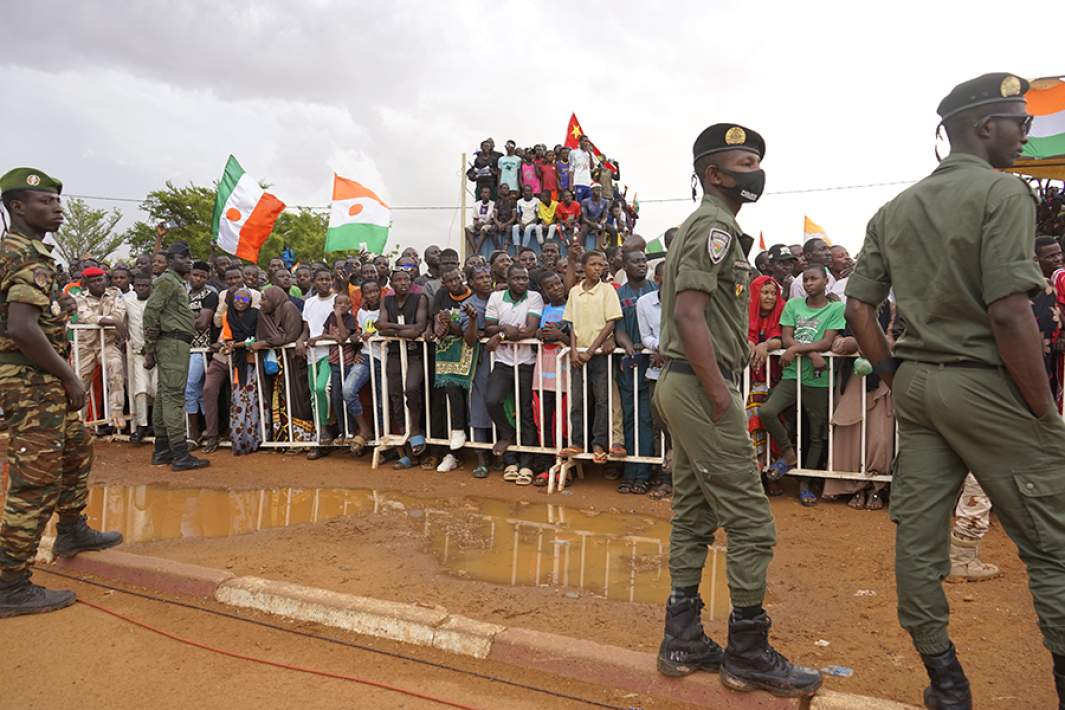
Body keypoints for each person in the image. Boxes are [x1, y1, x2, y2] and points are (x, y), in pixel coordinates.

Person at [845, 73, 1065, 707]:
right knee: (1053, 544)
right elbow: (1008, 312)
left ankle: (946, 684)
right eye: (1017, 121)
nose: (1025, 131)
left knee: (917, 539)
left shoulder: (894, 210)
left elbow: (860, 309)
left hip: (916, 385)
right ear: (981, 127)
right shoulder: (1004, 192)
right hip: (984, 384)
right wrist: (1045, 412)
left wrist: (892, 374)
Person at [653, 124, 820, 696]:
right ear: (714, 174)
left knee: (695, 515)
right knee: (752, 521)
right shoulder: (714, 226)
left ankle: (682, 639)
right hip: (703, 389)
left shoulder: (710, 227)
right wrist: (722, 396)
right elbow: (689, 314)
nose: (755, 170)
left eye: (756, 160)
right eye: (743, 161)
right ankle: (747, 652)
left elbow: (700, 314)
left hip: (689, 383)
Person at [0, 167, 122, 616]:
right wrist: (71, 377)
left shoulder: (29, 252)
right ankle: (10, 582)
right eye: (45, 202)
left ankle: (72, 528)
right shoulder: (24, 256)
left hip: (39, 376)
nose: (57, 207)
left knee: (75, 449)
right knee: (34, 480)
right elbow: (22, 328)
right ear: (17, 207)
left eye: (56, 200)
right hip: (30, 379)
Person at [760, 264, 845, 506]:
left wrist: (798, 349)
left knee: (816, 433)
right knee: (767, 411)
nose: (808, 283)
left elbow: (828, 341)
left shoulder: (836, 308)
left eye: (813, 279)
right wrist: (808, 353)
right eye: (805, 280)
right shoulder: (793, 305)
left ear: (825, 281)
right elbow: (786, 337)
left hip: (818, 378)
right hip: (793, 373)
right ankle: (789, 455)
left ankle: (805, 483)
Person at [143, 241, 210, 471]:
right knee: (173, 397)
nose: (189, 260)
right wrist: (149, 348)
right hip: (171, 343)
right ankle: (180, 454)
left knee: (164, 396)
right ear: (171, 260)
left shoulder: (175, 282)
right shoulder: (167, 281)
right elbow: (151, 313)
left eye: (189, 256)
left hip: (174, 343)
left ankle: (162, 450)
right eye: (183, 257)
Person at [560, 250, 624, 463]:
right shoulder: (574, 292)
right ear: (584, 267)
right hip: (579, 354)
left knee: (602, 400)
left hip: (598, 355)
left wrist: (590, 350)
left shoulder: (607, 290)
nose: (598, 268)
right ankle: (577, 442)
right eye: (593, 264)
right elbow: (571, 324)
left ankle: (599, 443)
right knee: (577, 400)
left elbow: (610, 323)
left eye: (601, 264)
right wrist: (575, 351)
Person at [484, 265, 543, 484]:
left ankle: (526, 463)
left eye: (525, 278)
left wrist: (500, 333)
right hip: (503, 362)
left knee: (526, 412)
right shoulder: (496, 297)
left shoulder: (535, 297)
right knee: (492, 401)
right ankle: (508, 437)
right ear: (507, 280)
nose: (521, 282)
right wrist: (502, 329)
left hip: (527, 363)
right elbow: (487, 326)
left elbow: (529, 330)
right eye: (517, 278)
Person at [376, 268, 429, 468]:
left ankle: (416, 430)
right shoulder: (387, 300)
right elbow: (380, 326)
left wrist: (393, 329)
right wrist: (404, 330)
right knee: (395, 396)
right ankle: (404, 452)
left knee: (412, 389)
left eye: (406, 279)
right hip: (395, 353)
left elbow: (419, 328)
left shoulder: (420, 298)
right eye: (398, 280)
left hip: (414, 353)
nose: (403, 283)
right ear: (392, 283)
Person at [613, 249, 656, 494]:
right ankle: (630, 470)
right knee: (629, 416)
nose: (641, 265)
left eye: (643, 261)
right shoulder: (620, 294)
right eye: (636, 262)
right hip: (629, 364)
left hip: (653, 361)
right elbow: (619, 329)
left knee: (647, 417)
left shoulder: (654, 290)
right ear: (625, 267)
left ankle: (645, 472)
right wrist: (628, 346)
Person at [254, 285, 316, 446]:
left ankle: (301, 439)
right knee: (281, 399)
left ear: (274, 298)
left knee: (297, 399)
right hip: (278, 366)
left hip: (294, 363)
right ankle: (284, 439)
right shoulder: (267, 314)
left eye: (264, 299)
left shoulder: (289, 308)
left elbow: (290, 336)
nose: (261, 303)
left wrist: (266, 342)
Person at [429, 266, 476, 472]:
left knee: (473, 398)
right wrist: (435, 329)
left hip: (471, 349)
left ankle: (479, 449)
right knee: (449, 390)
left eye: (457, 279)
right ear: (444, 283)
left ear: (463, 277)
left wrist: (450, 324)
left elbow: (466, 331)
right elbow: (437, 323)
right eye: (449, 281)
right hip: (447, 351)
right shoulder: (440, 295)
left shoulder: (473, 296)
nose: (454, 283)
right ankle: (454, 443)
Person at [74, 265, 127, 431]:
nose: (98, 283)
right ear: (86, 283)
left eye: (100, 279)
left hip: (107, 344)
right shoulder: (80, 298)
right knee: (80, 383)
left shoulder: (114, 294)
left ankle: (116, 412)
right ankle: (77, 422)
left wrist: (113, 320)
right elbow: (86, 317)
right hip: (86, 345)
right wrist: (113, 322)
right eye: (94, 281)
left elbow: (119, 315)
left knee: (116, 367)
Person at [531, 271, 570, 485]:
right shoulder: (543, 310)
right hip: (542, 376)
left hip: (564, 379)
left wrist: (561, 336)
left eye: (558, 283)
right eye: (550, 287)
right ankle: (546, 466)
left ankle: (565, 464)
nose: (556, 288)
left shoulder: (572, 309)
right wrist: (536, 334)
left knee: (562, 424)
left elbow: (576, 337)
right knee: (543, 422)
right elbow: (533, 331)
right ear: (543, 292)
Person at [637, 260, 670, 498]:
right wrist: (660, 347)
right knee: (661, 425)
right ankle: (666, 476)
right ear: (656, 279)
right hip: (657, 374)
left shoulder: (690, 302)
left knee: (686, 426)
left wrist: (669, 350)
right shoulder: (644, 303)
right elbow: (645, 336)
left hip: (687, 374)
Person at [298, 267, 337, 458]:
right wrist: (300, 340)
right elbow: (306, 329)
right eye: (321, 279)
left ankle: (328, 426)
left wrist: (322, 337)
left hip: (329, 352)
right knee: (314, 395)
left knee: (323, 389)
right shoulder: (309, 303)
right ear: (314, 281)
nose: (324, 282)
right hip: (312, 353)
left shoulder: (336, 300)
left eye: (327, 279)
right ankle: (320, 435)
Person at [342, 278, 382, 456]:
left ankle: (382, 440)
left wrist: (374, 331)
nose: (372, 295)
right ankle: (364, 429)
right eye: (368, 292)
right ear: (363, 295)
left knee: (382, 402)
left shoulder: (387, 309)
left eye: (375, 291)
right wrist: (357, 340)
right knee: (348, 390)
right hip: (366, 356)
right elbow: (358, 332)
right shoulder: (361, 313)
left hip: (387, 358)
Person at [220, 288, 261, 455]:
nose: (240, 301)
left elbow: (258, 338)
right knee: (239, 400)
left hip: (256, 362)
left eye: (244, 299)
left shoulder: (257, 315)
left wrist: (239, 345)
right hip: (239, 364)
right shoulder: (227, 316)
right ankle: (239, 441)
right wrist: (236, 345)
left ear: (250, 301)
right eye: (237, 298)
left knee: (254, 400)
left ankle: (254, 440)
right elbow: (228, 341)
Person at [184, 260, 218, 447]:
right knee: (194, 391)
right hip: (184, 347)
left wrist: (183, 318)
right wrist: (193, 317)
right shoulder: (184, 294)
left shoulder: (210, 295)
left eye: (203, 276)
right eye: (195, 275)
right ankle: (200, 432)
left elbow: (202, 324)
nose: (198, 278)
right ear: (190, 274)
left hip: (201, 349)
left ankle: (198, 431)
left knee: (191, 387)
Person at [124, 272, 158, 444]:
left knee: (158, 388)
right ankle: (141, 426)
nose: (142, 288)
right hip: (138, 353)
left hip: (159, 354)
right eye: (138, 285)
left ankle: (160, 425)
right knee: (140, 390)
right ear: (134, 286)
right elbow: (122, 322)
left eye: (145, 285)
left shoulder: (157, 303)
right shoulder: (127, 302)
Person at [320, 292, 359, 443]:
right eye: (339, 303)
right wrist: (331, 337)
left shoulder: (350, 319)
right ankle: (343, 431)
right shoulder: (330, 317)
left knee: (347, 395)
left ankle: (351, 431)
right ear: (334, 306)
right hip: (335, 362)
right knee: (336, 397)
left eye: (345, 303)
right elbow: (324, 334)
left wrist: (338, 317)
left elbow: (343, 336)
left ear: (350, 306)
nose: (342, 306)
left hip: (348, 362)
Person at [467, 186, 496, 258]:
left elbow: (492, 219)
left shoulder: (493, 204)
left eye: (488, 193)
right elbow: (475, 218)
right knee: (467, 228)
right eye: (485, 192)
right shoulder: (476, 204)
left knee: (484, 228)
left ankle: (476, 251)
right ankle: (475, 250)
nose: (487, 194)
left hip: (488, 224)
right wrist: (476, 224)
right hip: (478, 224)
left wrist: (484, 224)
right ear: (481, 194)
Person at [580, 184, 610, 252]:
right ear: (592, 191)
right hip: (588, 221)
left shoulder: (605, 202)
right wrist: (592, 224)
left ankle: (605, 248)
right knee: (584, 230)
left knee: (612, 230)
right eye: (596, 189)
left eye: (600, 189)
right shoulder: (585, 202)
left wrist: (602, 222)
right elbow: (583, 218)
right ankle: (582, 248)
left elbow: (605, 216)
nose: (599, 191)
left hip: (598, 221)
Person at [514, 185, 541, 252]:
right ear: (523, 193)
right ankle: (517, 250)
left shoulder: (536, 201)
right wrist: (520, 223)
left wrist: (527, 224)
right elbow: (518, 216)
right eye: (526, 191)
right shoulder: (519, 202)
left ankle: (523, 248)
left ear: (532, 193)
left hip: (533, 223)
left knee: (528, 229)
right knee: (514, 228)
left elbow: (537, 217)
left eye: (530, 191)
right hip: (522, 222)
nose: (528, 192)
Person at [492, 183, 517, 256]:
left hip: (509, 223)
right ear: (500, 190)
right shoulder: (497, 201)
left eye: (507, 188)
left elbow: (514, 217)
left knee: (509, 228)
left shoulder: (512, 201)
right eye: (504, 188)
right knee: (492, 228)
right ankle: (498, 248)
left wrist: (505, 224)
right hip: (499, 223)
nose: (506, 190)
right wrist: (498, 224)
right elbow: (494, 216)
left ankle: (505, 249)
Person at [570, 135, 594, 202]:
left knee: (587, 204)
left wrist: (590, 154)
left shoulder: (588, 154)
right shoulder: (574, 152)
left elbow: (592, 167)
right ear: (580, 142)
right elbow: (571, 170)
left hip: (588, 183)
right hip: (578, 182)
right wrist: (571, 184)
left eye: (588, 141)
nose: (587, 143)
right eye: (585, 141)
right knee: (579, 203)